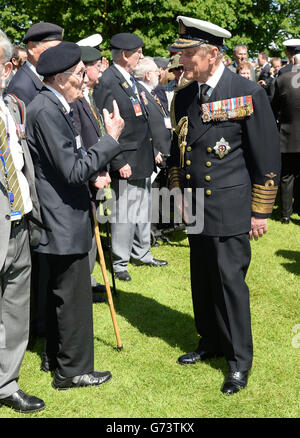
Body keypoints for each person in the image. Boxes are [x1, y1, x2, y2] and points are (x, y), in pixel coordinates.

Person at [168, 16, 280, 395]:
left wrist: (260, 210)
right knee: (202, 278)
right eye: (181, 54)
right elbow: (177, 152)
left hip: (231, 204)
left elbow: (265, 154)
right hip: (196, 204)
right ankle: (211, 341)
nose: (182, 61)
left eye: (189, 55)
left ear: (212, 54)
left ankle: (238, 361)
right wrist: (178, 195)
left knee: (230, 283)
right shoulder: (184, 96)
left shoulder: (247, 91)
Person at [26, 41, 127, 389]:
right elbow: (71, 169)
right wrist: (110, 140)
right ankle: (73, 370)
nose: (84, 81)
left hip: (62, 216)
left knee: (62, 295)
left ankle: (56, 357)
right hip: (62, 218)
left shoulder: (52, 104)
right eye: (80, 75)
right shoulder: (48, 110)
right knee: (73, 298)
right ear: (60, 77)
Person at [94, 33, 167, 282]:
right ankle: (120, 261)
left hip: (142, 156)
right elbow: (106, 127)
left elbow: (141, 119)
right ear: (125, 54)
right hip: (125, 160)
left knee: (143, 208)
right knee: (124, 213)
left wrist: (154, 149)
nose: (141, 56)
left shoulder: (127, 79)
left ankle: (142, 252)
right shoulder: (108, 81)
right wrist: (118, 160)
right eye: (138, 52)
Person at [0, 30, 45, 413]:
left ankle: (6, 383)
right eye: (2, 64)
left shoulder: (11, 107)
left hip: (18, 222)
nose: (5, 71)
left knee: (15, 309)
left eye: (6, 63)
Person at [71, 45, 110, 301]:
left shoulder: (87, 95)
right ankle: (84, 284)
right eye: (84, 71)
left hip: (96, 169)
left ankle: (88, 280)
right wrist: (94, 174)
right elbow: (79, 141)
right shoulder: (74, 100)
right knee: (86, 236)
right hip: (86, 174)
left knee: (92, 233)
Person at [271, 52, 300, 223]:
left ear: (293, 62)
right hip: (288, 134)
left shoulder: (282, 80)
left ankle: (285, 214)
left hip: (287, 135)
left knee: (286, 176)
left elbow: (273, 107)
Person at [6, 22, 63, 106]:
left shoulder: (45, 76)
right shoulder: (20, 88)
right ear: (32, 48)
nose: (57, 55)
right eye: (52, 50)